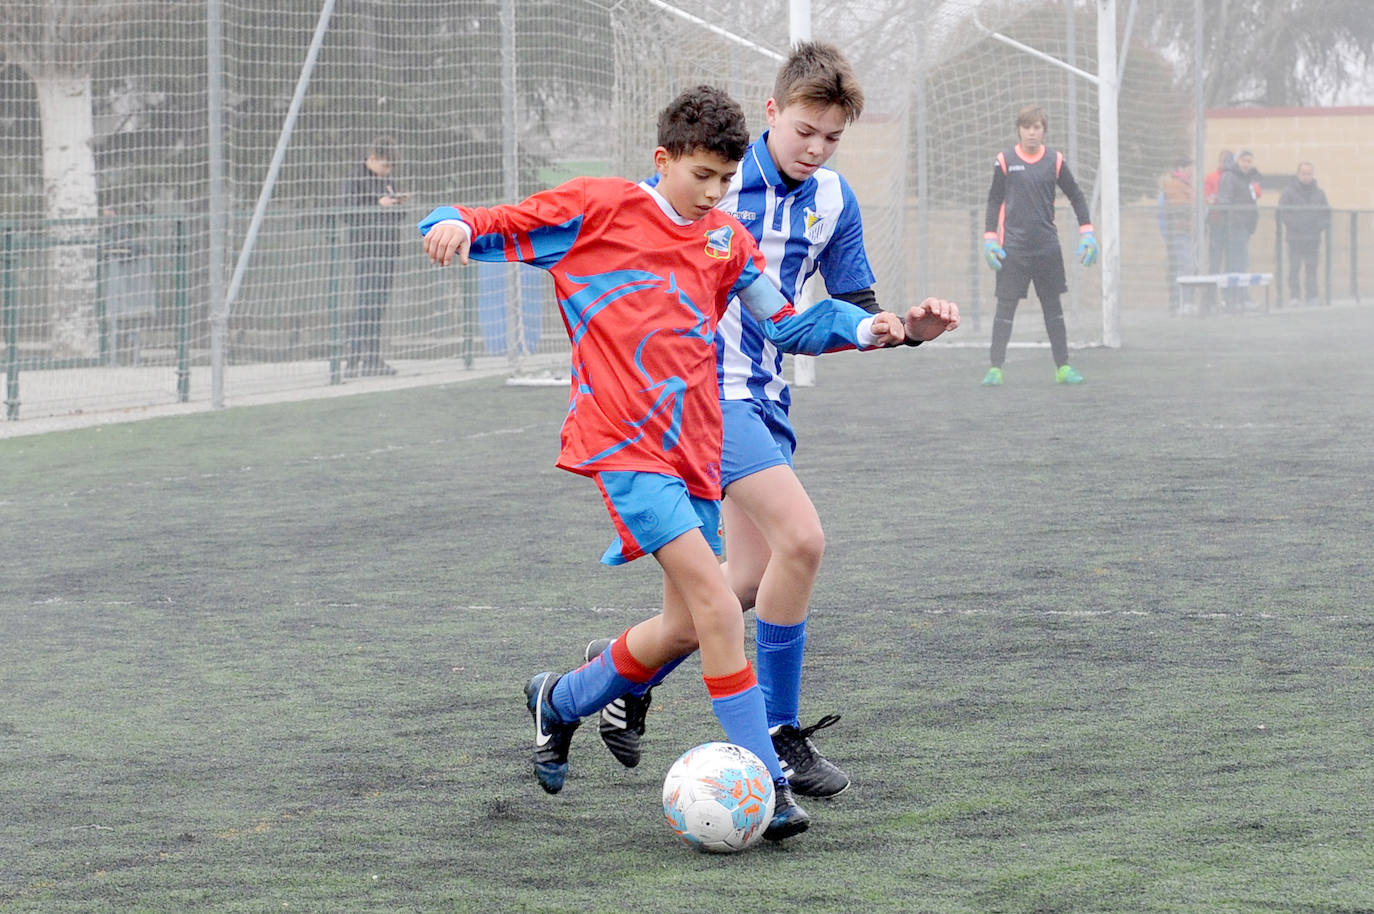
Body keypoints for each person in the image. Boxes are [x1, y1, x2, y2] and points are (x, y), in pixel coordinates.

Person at [418, 85, 944, 841]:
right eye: (701, 176)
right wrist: (448, 224)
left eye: (726, 180)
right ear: (663, 159)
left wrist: (872, 330)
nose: (714, 194)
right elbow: (492, 222)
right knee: (721, 604)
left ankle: (560, 700)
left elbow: (788, 323)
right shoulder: (595, 209)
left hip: (694, 447)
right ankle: (769, 783)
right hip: (622, 447)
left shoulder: (726, 240)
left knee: (680, 627)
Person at [580, 41, 960, 800]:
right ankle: (778, 735)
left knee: (746, 584)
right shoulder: (707, 180)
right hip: (700, 400)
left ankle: (613, 672)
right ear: (772, 113)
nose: (816, 149)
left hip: (765, 398)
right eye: (804, 131)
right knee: (804, 539)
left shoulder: (833, 201)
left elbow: (853, 307)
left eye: (832, 138)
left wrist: (902, 328)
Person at [980, 104, 1096, 386]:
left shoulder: (1055, 160)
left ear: (1044, 131)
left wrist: (1088, 233)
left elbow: (1077, 196)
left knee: (1053, 309)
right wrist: (989, 239)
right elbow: (995, 200)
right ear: (1019, 130)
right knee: (1005, 309)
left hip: (1047, 248)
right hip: (1013, 250)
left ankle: (1063, 368)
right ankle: (995, 368)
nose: (1032, 133)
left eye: (1037, 127)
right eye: (1027, 127)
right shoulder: (1005, 160)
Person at [341, 135, 408, 377]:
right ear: (373, 158)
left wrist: (398, 205)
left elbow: (397, 216)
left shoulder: (386, 181)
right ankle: (353, 359)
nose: (388, 170)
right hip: (366, 250)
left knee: (378, 304)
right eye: (385, 165)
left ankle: (371, 360)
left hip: (387, 249)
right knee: (365, 302)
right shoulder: (355, 179)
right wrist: (377, 205)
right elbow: (349, 214)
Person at [1277, 161, 1331, 307]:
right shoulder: (1288, 192)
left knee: (1311, 268)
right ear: (1298, 174)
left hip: (1313, 239)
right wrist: (1297, 225)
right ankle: (1294, 297)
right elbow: (1283, 212)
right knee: (1294, 267)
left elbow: (1326, 214)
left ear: (1313, 175)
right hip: (1295, 238)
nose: (1306, 176)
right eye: (1303, 173)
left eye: (1309, 173)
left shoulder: (1319, 193)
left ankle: (1312, 296)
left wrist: (1316, 227)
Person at [1215, 149, 1261, 312]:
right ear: (1237, 161)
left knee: (1242, 263)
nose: (1247, 164)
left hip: (1245, 226)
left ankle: (1240, 297)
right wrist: (1233, 219)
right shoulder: (1230, 176)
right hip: (1234, 227)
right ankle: (1232, 298)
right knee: (1236, 263)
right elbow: (1223, 201)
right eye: (1243, 160)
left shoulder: (1250, 180)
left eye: (1249, 161)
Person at [1157, 157, 1194, 314]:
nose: (1192, 172)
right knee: (1184, 267)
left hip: (1184, 232)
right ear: (1180, 168)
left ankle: (1183, 303)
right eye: (1189, 168)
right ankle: (1182, 303)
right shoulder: (1174, 186)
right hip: (1178, 232)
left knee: (1184, 267)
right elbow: (1181, 208)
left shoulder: (1186, 185)